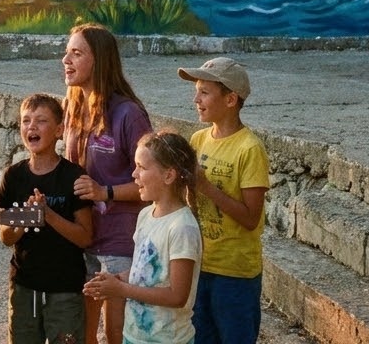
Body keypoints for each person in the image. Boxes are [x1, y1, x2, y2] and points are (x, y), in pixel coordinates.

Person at [62, 23, 152, 344]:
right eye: (66, 52)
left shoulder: (129, 114)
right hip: (82, 236)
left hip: (119, 243)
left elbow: (151, 184)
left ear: (98, 60)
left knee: (117, 334)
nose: (65, 60)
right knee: (82, 334)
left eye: (76, 53)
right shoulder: (73, 108)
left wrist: (105, 192)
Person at [177, 57, 269, 344]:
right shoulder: (199, 139)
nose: (196, 99)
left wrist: (206, 187)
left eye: (205, 92)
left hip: (236, 274)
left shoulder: (250, 148)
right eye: (197, 91)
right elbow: (190, 200)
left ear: (230, 99)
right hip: (201, 264)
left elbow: (250, 217)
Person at [84, 130, 202, 344]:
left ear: (168, 175)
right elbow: (144, 268)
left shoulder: (182, 228)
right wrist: (117, 279)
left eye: (142, 167)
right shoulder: (145, 214)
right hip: (134, 336)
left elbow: (177, 296)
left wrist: (121, 289)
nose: (134, 174)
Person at [0, 93, 93, 344]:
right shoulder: (13, 176)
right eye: (26, 121)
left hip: (65, 289)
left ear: (59, 130)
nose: (32, 127)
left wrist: (47, 215)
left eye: (41, 121)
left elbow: (85, 237)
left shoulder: (73, 176)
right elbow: (5, 236)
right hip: (24, 287)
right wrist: (24, 221)